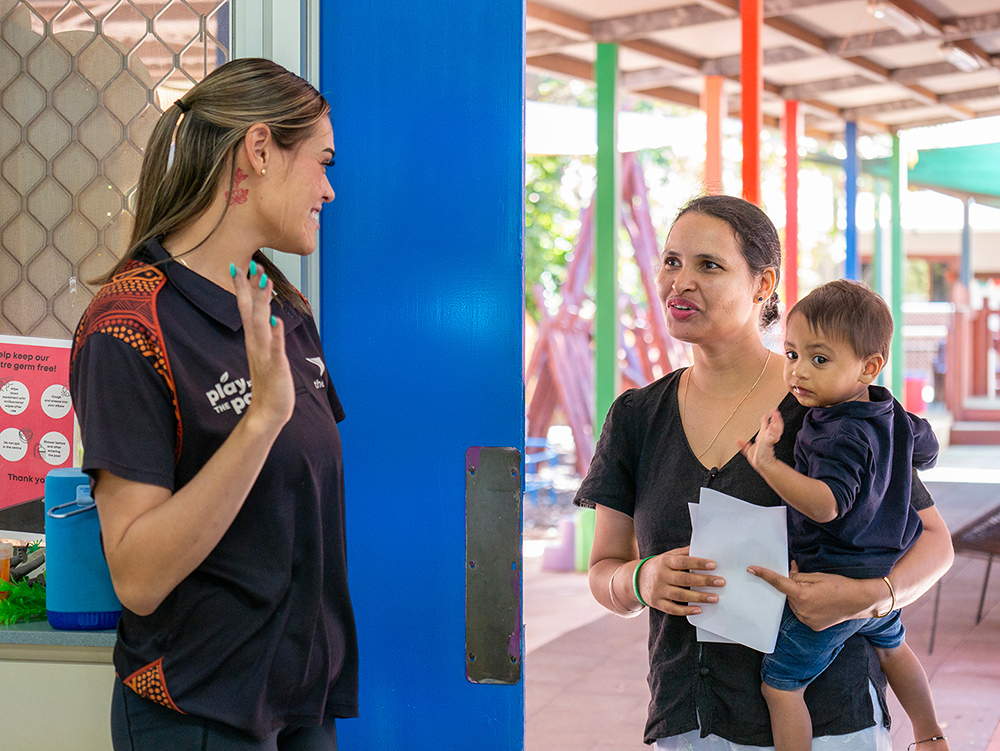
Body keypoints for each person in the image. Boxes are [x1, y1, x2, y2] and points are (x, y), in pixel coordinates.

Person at [575, 195, 954, 750]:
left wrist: (875, 596)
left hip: (831, 717)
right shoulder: (637, 416)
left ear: (762, 284)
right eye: (672, 261)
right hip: (692, 717)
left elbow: (937, 543)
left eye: (709, 265)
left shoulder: (834, 403)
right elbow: (603, 571)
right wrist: (639, 580)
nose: (679, 282)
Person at [69, 58, 353, 751]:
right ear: (259, 151)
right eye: (321, 163)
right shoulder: (127, 326)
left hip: (301, 706)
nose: (329, 190)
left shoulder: (283, 306)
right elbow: (136, 574)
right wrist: (260, 420)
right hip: (198, 713)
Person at [739, 280, 948, 751]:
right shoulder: (889, 410)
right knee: (894, 649)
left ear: (869, 366)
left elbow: (826, 504)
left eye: (819, 359)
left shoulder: (835, 433)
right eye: (791, 355)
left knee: (781, 685)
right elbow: (927, 448)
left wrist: (768, 463)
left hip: (833, 584)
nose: (798, 374)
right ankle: (930, 734)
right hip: (883, 574)